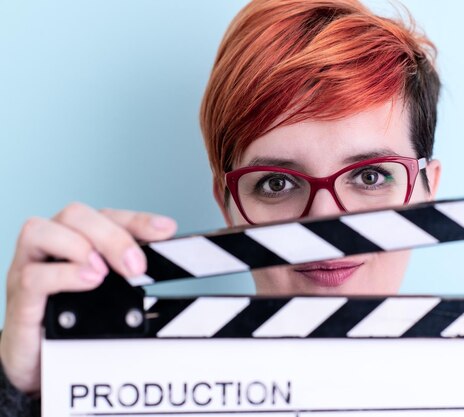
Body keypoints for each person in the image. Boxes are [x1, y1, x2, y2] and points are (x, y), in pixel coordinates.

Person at [0, 0, 441, 414]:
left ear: (428, 190)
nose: (325, 219)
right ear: (227, 205)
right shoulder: (134, 392)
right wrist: (23, 391)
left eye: (370, 177)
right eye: (276, 183)